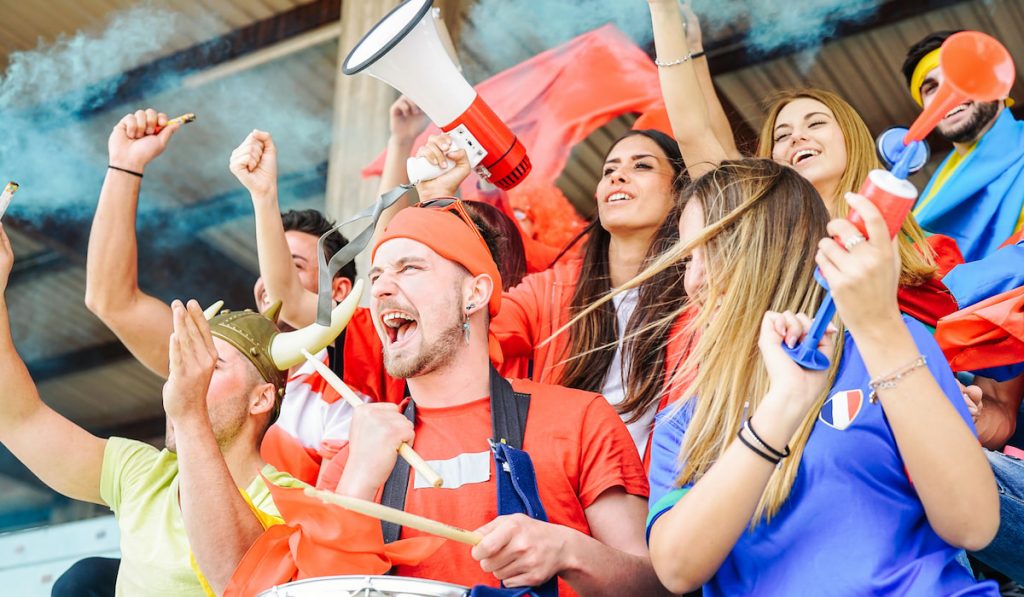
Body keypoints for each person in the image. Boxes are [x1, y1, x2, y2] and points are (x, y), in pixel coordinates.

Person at [617, 159, 998, 595]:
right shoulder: (685, 418)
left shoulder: (889, 344)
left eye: (715, 247)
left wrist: (881, 328)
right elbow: (676, 569)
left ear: (779, 245)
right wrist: (783, 406)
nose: (695, 280)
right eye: (688, 258)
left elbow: (974, 524)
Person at [0, 217, 360, 594]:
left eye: (212, 366)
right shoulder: (141, 473)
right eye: (185, 365)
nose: (186, 378)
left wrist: (190, 415)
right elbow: (19, 418)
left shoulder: (293, 501)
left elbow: (241, 577)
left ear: (261, 398)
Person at [328, 200, 665, 595]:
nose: (382, 287)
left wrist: (568, 551)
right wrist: (357, 486)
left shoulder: (580, 419)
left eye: (410, 268)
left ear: (475, 293)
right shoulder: (352, 461)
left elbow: (655, 586)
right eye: (377, 275)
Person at [85, 110, 397, 486]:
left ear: (341, 293)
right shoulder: (219, 359)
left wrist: (401, 142)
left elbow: (390, 243)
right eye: (266, 263)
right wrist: (125, 165)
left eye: (292, 263)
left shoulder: (360, 353)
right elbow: (110, 300)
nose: (270, 280)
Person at [647, 1, 961, 328]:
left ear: (851, 138)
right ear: (773, 160)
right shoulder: (764, 230)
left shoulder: (929, 252)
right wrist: (667, 17)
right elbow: (696, 132)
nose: (797, 137)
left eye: (815, 124)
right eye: (782, 135)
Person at [414, 128, 688, 460]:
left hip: (663, 504)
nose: (618, 177)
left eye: (641, 166)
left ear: (681, 192)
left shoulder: (700, 295)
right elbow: (462, 323)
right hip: (557, 501)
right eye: (609, 170)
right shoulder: (552, 291)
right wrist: (436, 199)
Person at [902, 30, 1024, 261]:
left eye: (959, 77)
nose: (947, 94)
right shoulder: (933, 196)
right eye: (931, 88)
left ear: (996, 83)